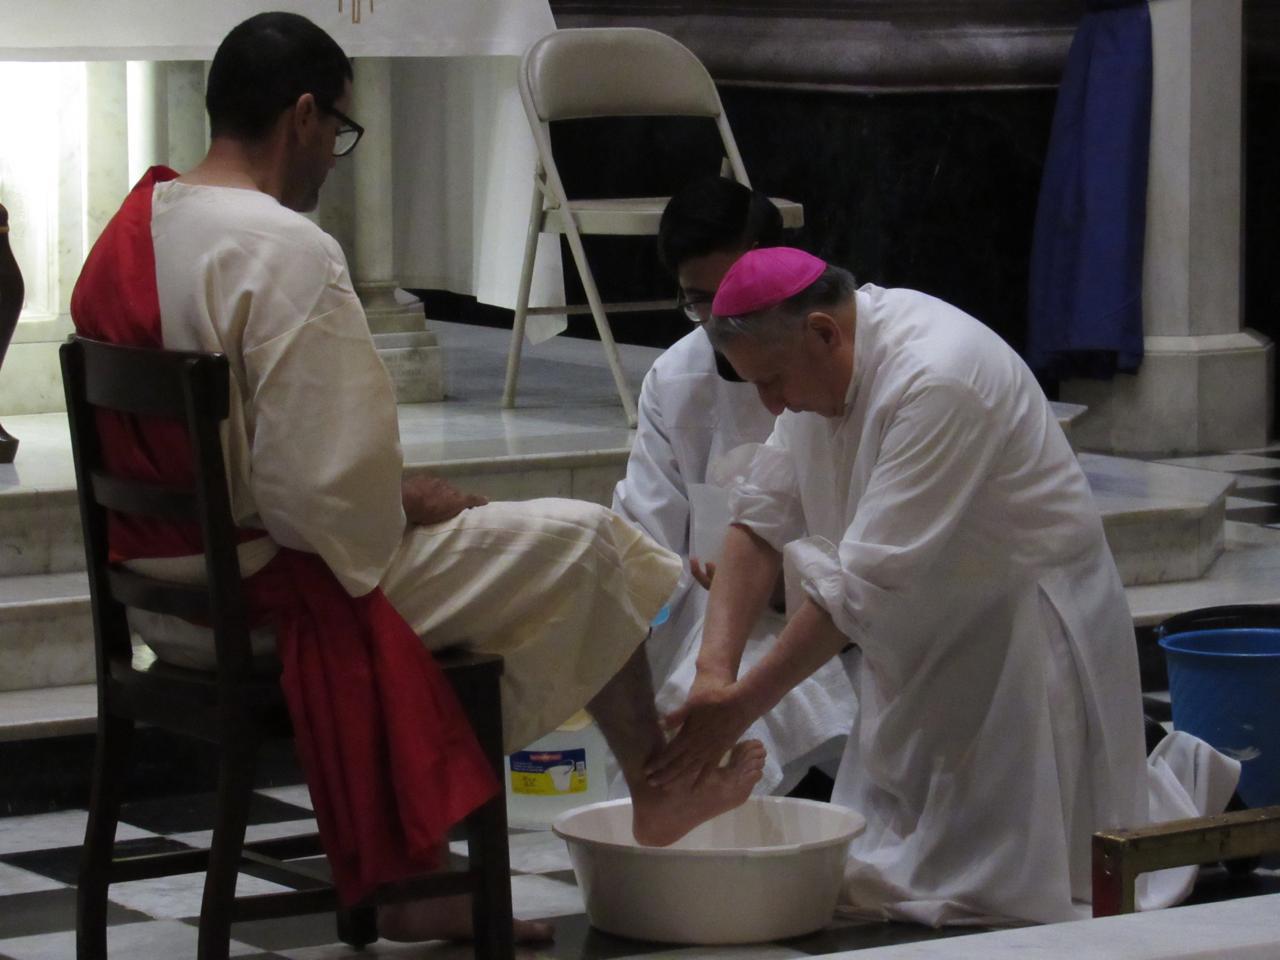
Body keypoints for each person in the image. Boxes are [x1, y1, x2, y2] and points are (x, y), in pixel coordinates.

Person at [69, 12, 764, 945]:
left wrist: (377, 495)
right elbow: (320, 501)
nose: (333, 160)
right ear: (306, 116)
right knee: (590, 543)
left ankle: (426, 869)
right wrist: (408, 499)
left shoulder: (133, 223)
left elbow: (264, 460)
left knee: (502, 557)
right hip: (269, 592)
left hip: (163, 602)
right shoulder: (283, 250)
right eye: (340, 136)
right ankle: (654, 788)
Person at [645, 247, 1241, 925]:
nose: (772, 403)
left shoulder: (939, 377)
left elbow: (854, 594)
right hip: (917, 622)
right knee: (896, 854)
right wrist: (712, 676)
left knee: (993, 887)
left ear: (823, 332)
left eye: (774, 380)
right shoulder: (819, 366)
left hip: (1020, 623)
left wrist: (741, 706)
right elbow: (760, 520)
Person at [612, 178, 853, 797]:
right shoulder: (677, 379)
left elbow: (871, 550)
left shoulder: (833, 363)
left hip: (837, 615)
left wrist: (786, 582)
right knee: (678, 699)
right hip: (716, 612)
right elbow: (649, 537)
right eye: (701, 303)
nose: (722, 324)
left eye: (737, 298)